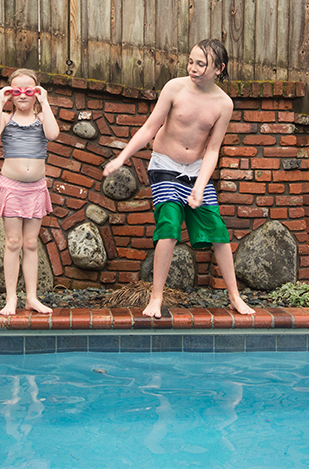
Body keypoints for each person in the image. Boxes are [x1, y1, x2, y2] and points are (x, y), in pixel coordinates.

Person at [104, 40, 256, 318]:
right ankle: (156, 298)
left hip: (197, 170)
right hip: (164, 165)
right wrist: (122, 157)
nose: (193, 68)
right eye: (191, 61)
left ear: (219, 68)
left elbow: (213, 149)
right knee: (170, 226)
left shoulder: (224, 104)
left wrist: (199, 186)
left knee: (218, 232)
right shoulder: (175, 88)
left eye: (201, 64)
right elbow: (150, 127)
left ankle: (234, 297)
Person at [0, 68, 60, 315]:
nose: (23, 95)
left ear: (37, 92)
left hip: (36, 188)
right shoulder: (6, 119)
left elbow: (53, 134)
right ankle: (10, 299)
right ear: (10, 94)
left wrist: (45, 102)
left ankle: (31, 297)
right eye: (17, 91)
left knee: (30, 243)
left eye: (30, 90)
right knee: (13, 242)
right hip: (12, 187)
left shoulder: (41, 120)